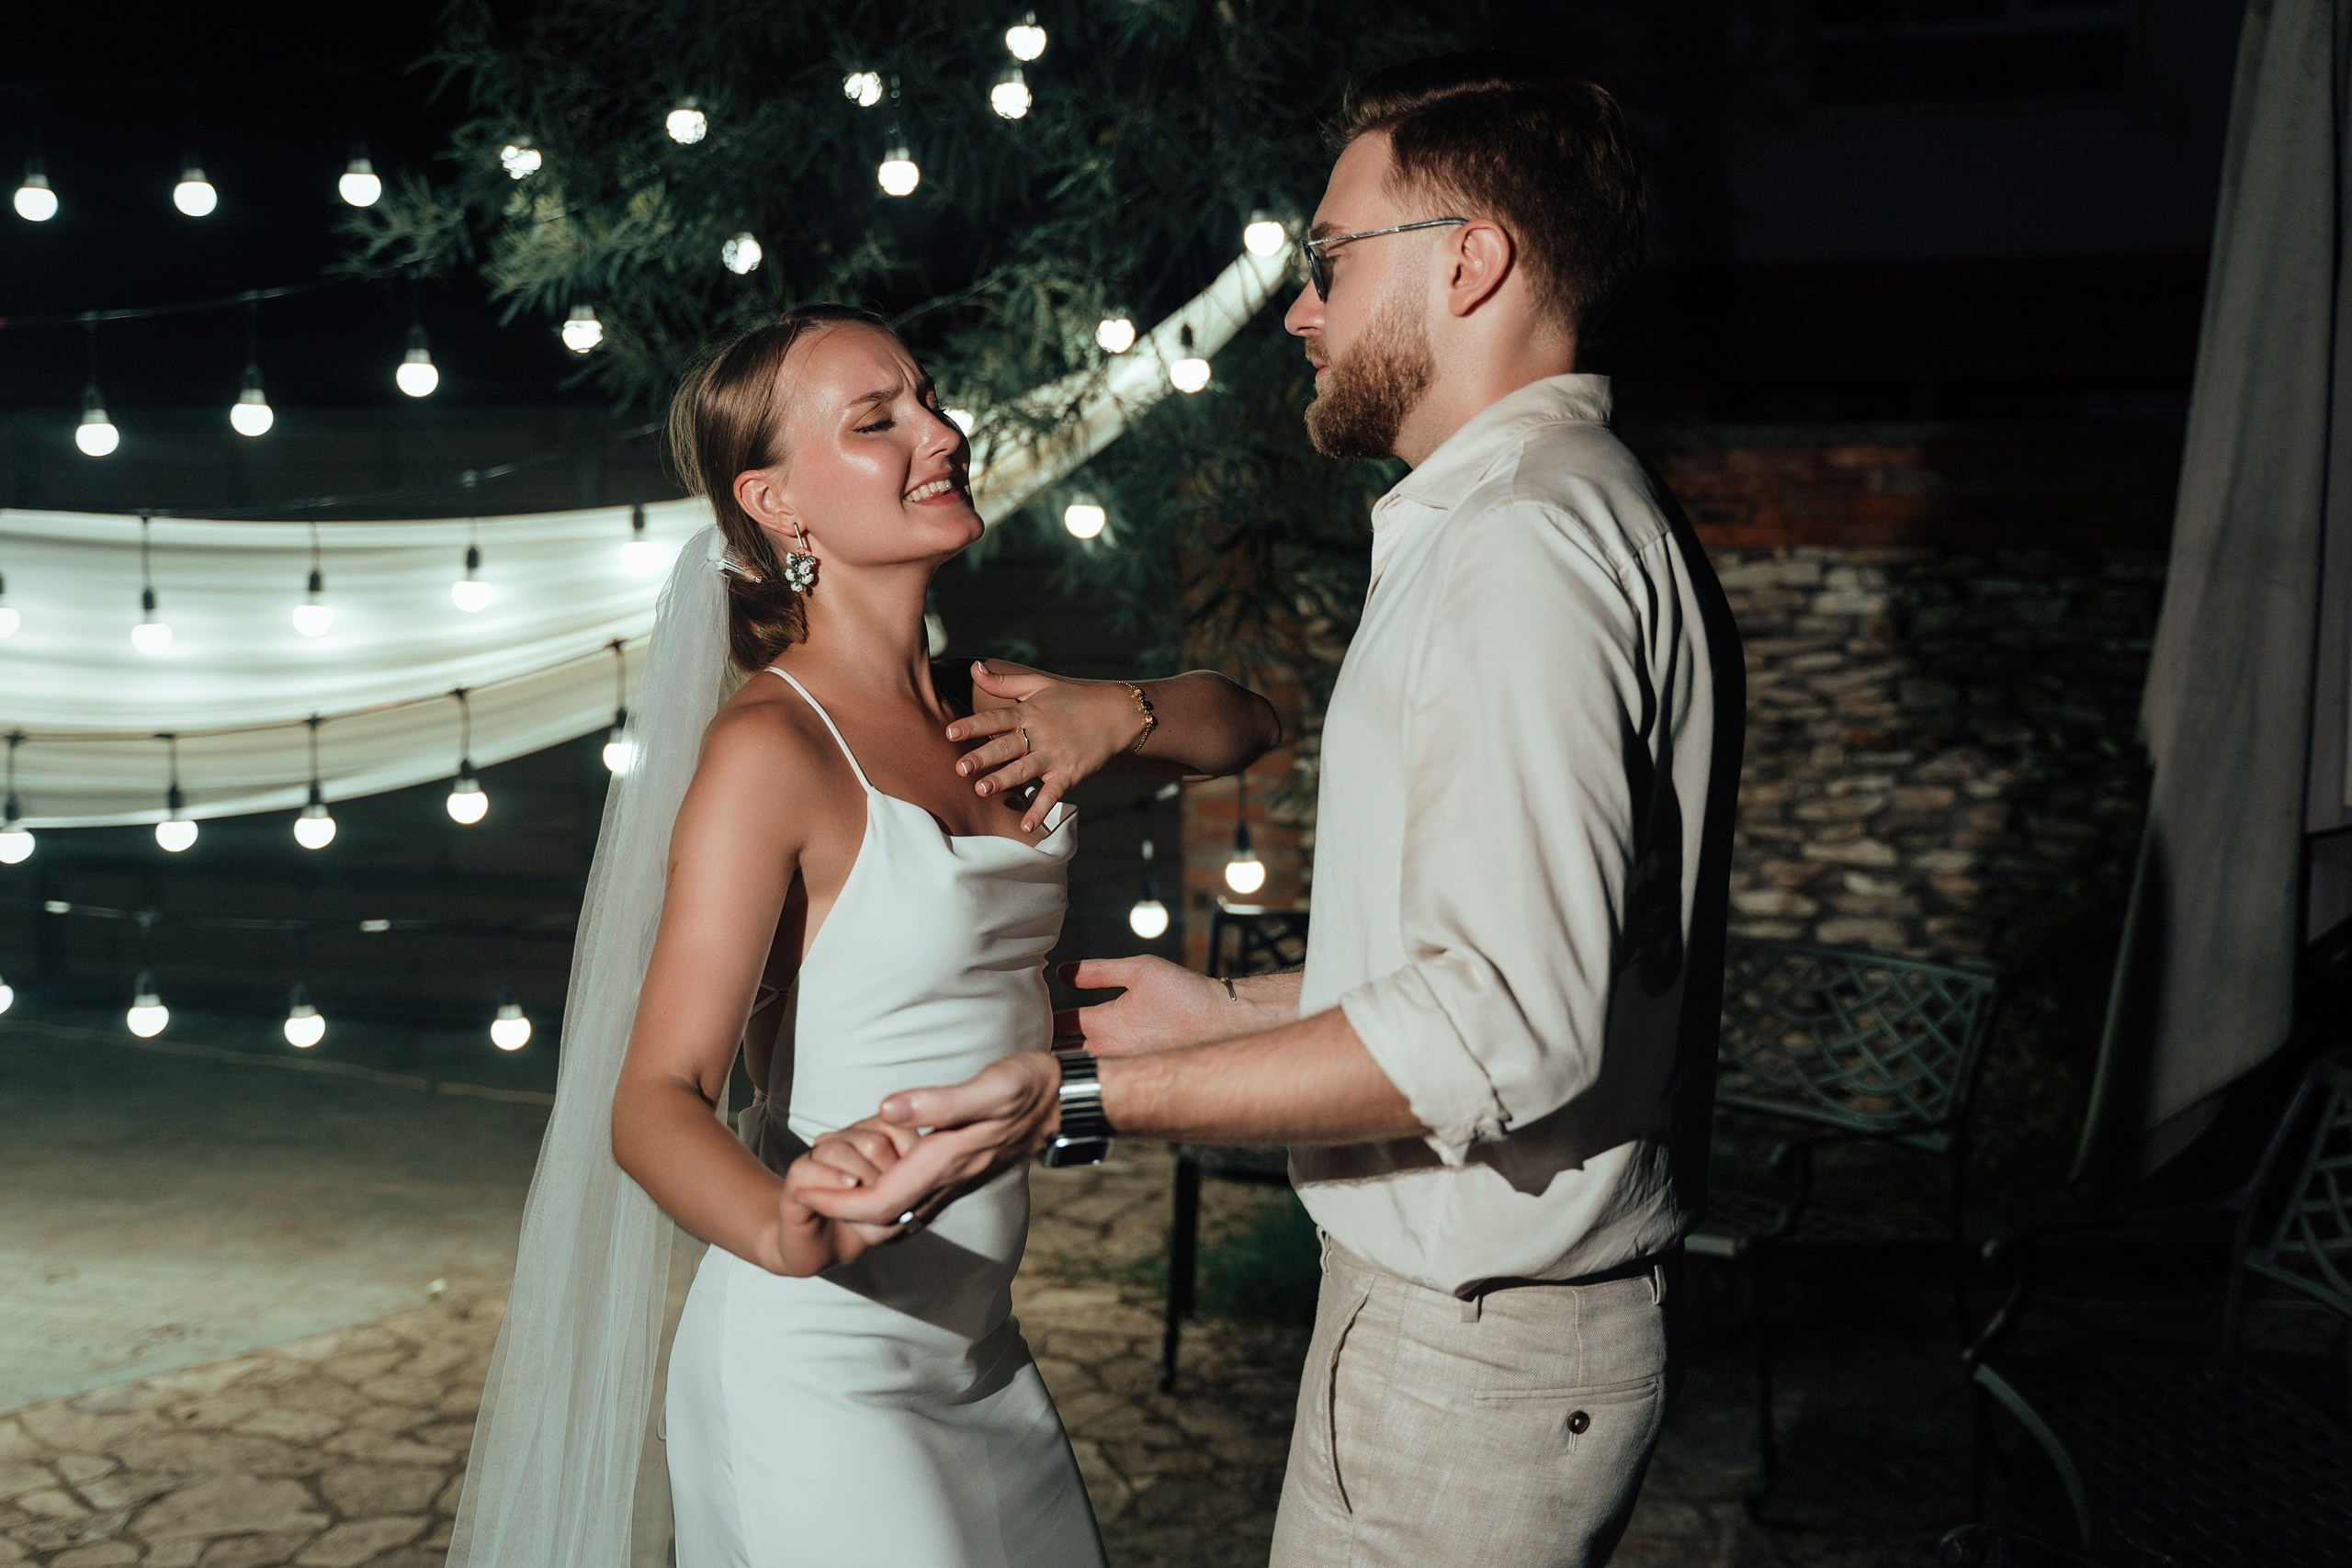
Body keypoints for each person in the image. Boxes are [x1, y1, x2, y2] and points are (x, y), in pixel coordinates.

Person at [826, 55, 1747, 1568]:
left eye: (1327, 264)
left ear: (1472, 258)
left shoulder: (1526, 546)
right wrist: (1236, 1014)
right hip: (1463, 1331)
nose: (1302, 311)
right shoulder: (1535, 513)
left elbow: (1511, 1026)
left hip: (1474, 1350)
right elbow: (1513, 969)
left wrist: (1078, 1099)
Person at [443, 303, 1281, 1568]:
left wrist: (1118, 711)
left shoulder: (1002, 707)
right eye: (878, 422)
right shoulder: (769, 753)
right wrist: (790, 1220)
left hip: (983, 1356)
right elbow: (652, 1100)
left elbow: (1244, 724)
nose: (942, 435)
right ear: (776, 502)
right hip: (817, 1371)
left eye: (928, 401)